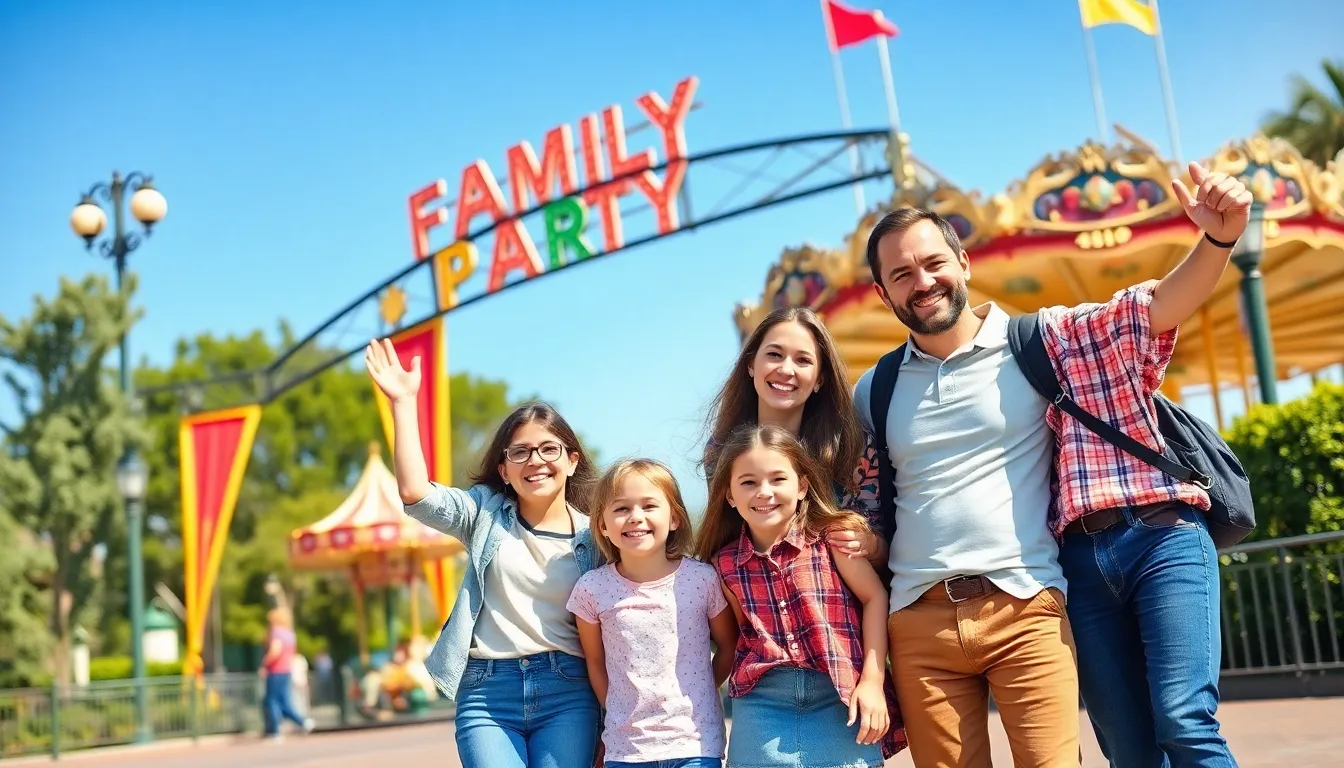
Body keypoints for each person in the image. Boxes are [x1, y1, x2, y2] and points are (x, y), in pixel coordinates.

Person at [860, 161, 1249, 767]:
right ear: (883, 294)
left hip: (1032, 598)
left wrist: (1219, 238)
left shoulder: (1041, 344)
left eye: (934, 262)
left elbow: (1151, 311)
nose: (923, 281)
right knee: (1128, 748)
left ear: (964, 263)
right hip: (926, 616)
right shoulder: (875, 388)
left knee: (1181, 721)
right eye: (902, 274)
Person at [365, 338, 603, 768]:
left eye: (549, 450)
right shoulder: (483, 514)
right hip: (487, 692)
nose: (536, 461)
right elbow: (415, 493)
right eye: (520, 453)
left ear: (571, 460)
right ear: (504, 470)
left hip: (569, 690)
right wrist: (403, 402)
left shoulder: (599, 536)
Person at [696, 424, 906, 767]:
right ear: (730, 496)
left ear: (802, 486)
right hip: (761, 701)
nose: (764, 492)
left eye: (778, 479)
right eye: (748, 482)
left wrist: (872, 682)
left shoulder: (833, 539)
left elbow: (874, 598)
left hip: (840, 695)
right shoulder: (722, 566)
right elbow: (735, 639)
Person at [568, 458, 738, 768]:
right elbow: (594, 662)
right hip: (627, 749)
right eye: (621, 509)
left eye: (649, 506)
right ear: (603, 525)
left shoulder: (703, 579)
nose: (635, 517)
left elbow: (729, 646)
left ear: (674, 518)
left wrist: (701, 689)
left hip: (695, 744)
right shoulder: (591, 588)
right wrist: (618, 712)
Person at [701, 306, 886, 566]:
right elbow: (723, 539)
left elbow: (887, 545)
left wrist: (870, 544)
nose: (786, 370)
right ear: (751, 364)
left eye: (803, 360)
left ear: (820, 378)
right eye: (775, 355)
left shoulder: (853, 447)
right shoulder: (721, 450)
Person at [258, 607, 315, 740]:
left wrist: (264, 664)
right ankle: (302, 721)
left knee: (272, 700)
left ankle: (275, 731)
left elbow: (275, 650)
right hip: (286, 669)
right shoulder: (290, 634)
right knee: (284, 700)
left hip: (275, 670)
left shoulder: (276, 632)